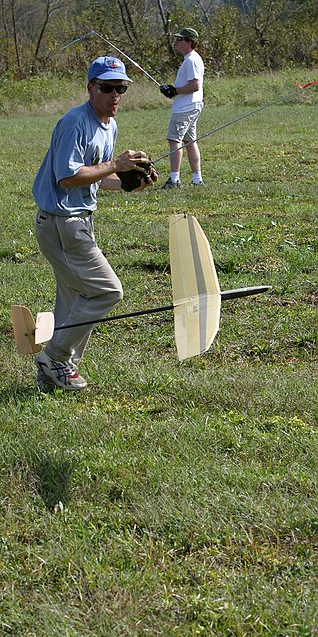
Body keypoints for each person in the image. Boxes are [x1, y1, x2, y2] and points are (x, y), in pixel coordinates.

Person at [32, 56, 157, 392]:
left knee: (73, 300)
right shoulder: (75, 122)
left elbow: (95, 177)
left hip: (77, 221)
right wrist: (116, 163)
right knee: (106, 291)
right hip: (63, 223)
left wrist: (129, 182)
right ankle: (55, 356)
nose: (114, 94)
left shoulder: (109, 125)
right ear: (90, 88)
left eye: (121, 88)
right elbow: (68, 177)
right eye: (106, 87)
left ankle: (56, 374)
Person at [159, 27, 205, 188]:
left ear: (189, 42)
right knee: (190, 141)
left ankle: (174, 180)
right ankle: (197, 180)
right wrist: (173, 90)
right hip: (191, 106)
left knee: (174, 140)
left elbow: (195, 85)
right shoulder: (191, 59)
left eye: (180, 40)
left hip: (185, 108)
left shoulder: (191, 60)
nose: (177, 42)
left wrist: (174, 91)